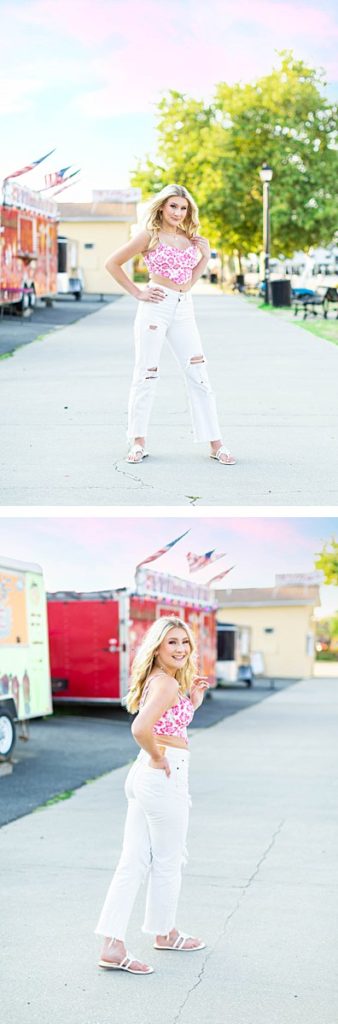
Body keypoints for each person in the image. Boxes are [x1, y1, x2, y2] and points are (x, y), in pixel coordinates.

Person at [95, 616, 210, 975]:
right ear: (157, 647)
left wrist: (192, 702)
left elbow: (166, 723)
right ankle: (166, 932)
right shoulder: (164, 684)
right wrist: (160, 756)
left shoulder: (163, 681)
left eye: (184, 642)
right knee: (168, 860)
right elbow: (141, 728)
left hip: (146, 774)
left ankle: (113, 945)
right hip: (162, 773)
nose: (180, 649)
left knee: (133, 862)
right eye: (172, 642)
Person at [104, 183, 236, 466]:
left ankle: (216, 443)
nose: (178, 212)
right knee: (146, 373)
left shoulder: (191, 239)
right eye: (173, 206)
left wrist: (206, 256)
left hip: (183, 309)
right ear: (162, 207)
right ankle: (138, 441)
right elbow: (112, 263)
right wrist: (138, 292)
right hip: (155, 307)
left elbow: (188, 282)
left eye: (183, 207)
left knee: (199, 373)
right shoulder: (149, 236)